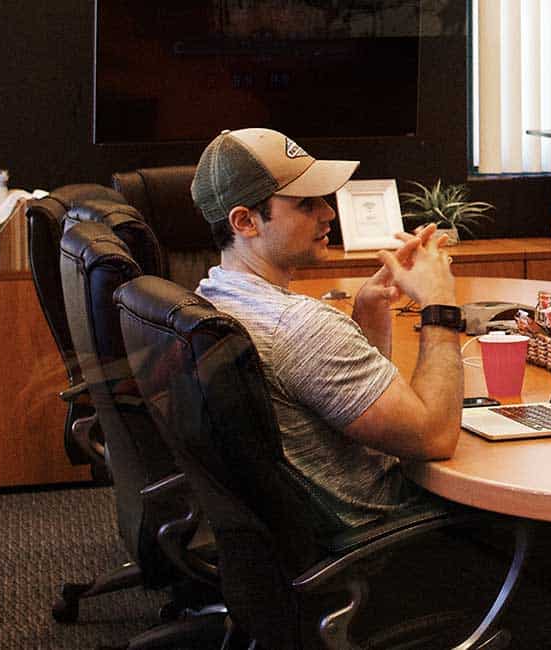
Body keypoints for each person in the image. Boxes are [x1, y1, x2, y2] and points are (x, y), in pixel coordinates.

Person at [191, 127, 463, 534]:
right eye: (306, 204)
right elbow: (434, 437)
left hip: (292, 534)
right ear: (246, 221)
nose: (328, 212)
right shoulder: (299, 327)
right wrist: (440, 306)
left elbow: (346, 404)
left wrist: (368, 308)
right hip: (386, 532)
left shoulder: (212, 294)